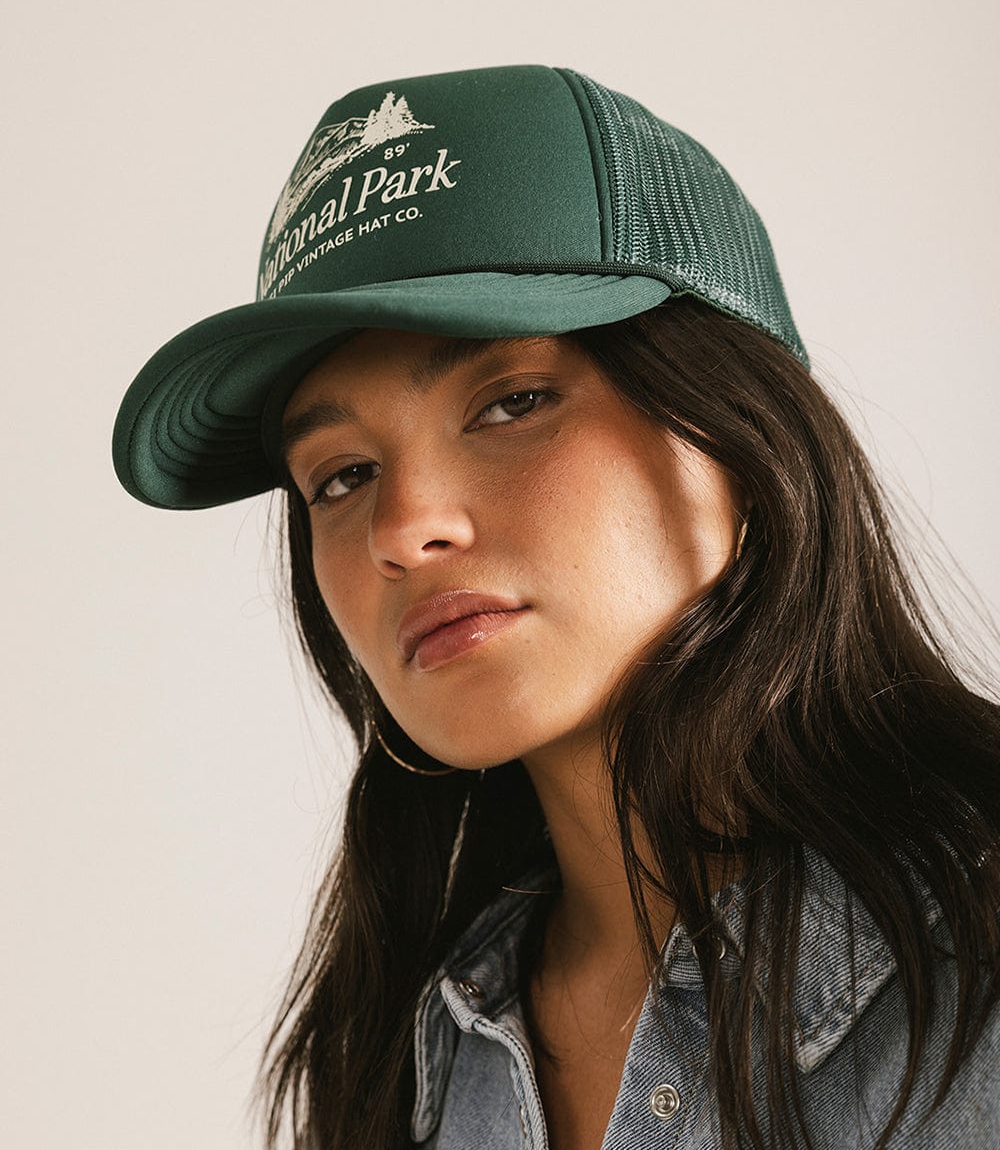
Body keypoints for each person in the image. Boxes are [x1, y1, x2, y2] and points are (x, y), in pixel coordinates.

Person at [112, 65, 1000, 1150]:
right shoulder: (407, 1049)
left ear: (739, 435)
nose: (404, 530)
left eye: (511, 402)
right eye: (340, 477)